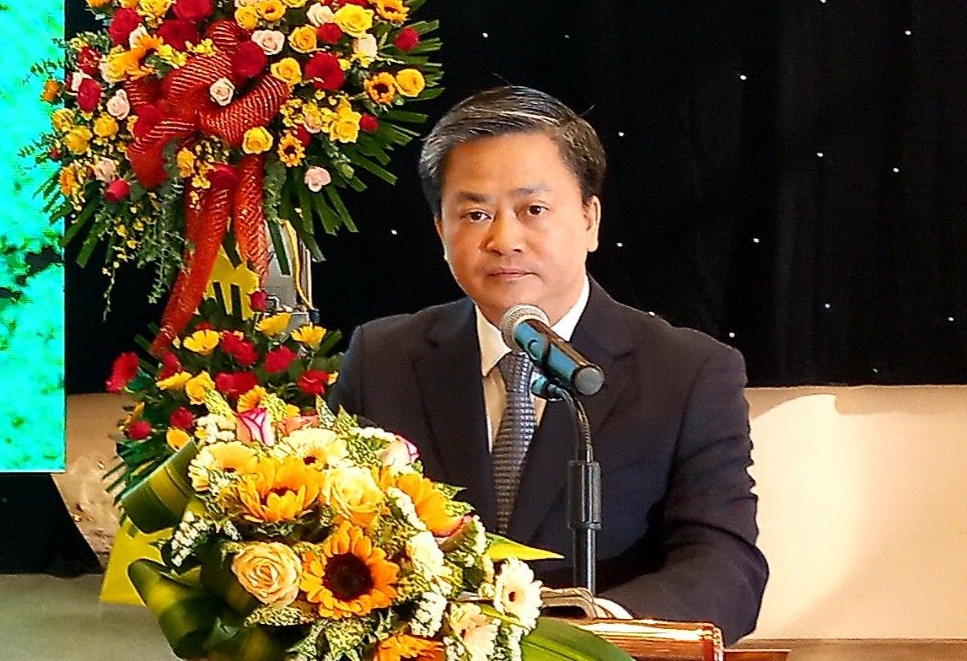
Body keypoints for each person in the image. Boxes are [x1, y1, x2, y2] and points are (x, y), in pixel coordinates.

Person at [329, 86, 767, 642]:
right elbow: (332, 537)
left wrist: (597, 632)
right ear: (441, 230)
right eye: (475, 214)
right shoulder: (383, 358)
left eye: (532, 210)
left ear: (589, 219)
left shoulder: (688, 371)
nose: (503, 239)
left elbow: (726, 563)